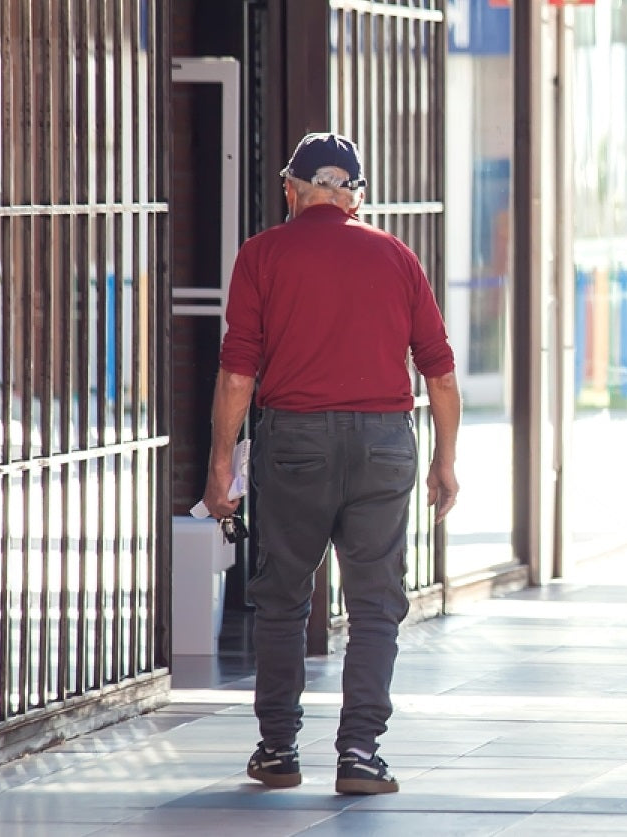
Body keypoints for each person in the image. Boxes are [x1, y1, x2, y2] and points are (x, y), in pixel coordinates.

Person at [203, 132, 460, 796]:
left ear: (292, 189)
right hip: (383, 442)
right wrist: (444, 461)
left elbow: (237, 374)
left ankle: (278, 748)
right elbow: (440, 371)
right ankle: (359, 754)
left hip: (294, 444)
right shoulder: (396, 256)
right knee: (375, 602)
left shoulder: (261, 254)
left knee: (284, 597)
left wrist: (220, 465)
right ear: (353, 195)